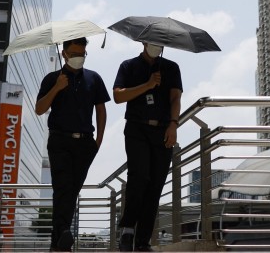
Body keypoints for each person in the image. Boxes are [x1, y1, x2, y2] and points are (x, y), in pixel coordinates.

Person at [35, 37, 109, 252]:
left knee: (71, 190)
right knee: (62, 187)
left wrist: (99, 140)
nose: (79, 57)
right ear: (64, 53)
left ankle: (59, 236)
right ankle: (63, 233)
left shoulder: (94, 78)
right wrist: (57, 87)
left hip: (85, 143)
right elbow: (40, 109)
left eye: (82, 53)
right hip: (59, 140)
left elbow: (101, 109)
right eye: (75, 53)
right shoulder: (52, 78)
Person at [112, 42, 182, 252]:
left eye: (160, 42)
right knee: (139, 178)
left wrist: (173, 124)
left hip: (162, 131)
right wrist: (148, 84)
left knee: (155, 186)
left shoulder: (171, 67)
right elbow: (118, 96)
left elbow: (176, 98)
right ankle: (127, 229)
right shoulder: (129, 66)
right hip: (136, 129)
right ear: (143, 42)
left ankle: (143, 240)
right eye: (152, 41)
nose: (156, 46)